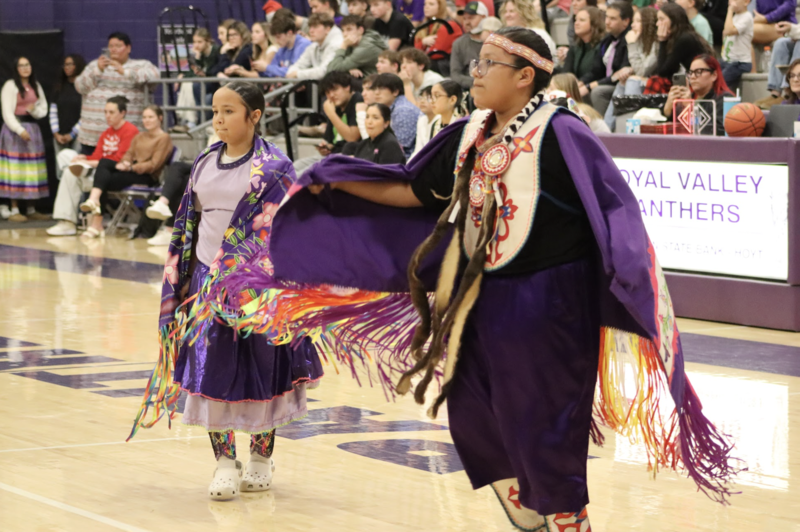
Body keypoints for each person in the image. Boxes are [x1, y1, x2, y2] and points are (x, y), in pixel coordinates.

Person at [192, 26, 739, 529]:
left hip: (552, 301)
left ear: (525, 75)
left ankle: (570, 514)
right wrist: (335, 184)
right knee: (473, 412)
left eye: (489, 64)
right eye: (476, 62)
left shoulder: (563, 132)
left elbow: (615, 210)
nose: (474, 72)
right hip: (481, 298)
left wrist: (628, 282)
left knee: (545, 414)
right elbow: (413, 190)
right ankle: (536, 509)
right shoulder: (469, 132)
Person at [127, 81, 323, 502]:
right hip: (206, 287)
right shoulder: (202, 163)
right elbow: (187, 224)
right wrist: (184, 281)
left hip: (258, 288)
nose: (218, 119)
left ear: (255, 116)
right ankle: (223, 463)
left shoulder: (274, 167)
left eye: (229, 111)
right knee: (209, 371)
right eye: (216, 110)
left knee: (264, 370)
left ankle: (261, 456)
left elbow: (288, 229)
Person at [46, 96, 139, 236]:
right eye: (105, 112)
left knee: (73, 172)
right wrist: (84, 158)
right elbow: (97, 155)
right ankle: (66, 222)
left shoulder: (130, 131)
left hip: (114, 174)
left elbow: (119, 160)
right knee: (68, 164)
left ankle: (77, 218)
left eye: (111, 112)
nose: (107, 116)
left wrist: (88, 163)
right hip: (98, 169)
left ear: (122, 113)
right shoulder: (106, 133)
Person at [76, 104, 173, 238]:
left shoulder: (164, 138)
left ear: (160, 118)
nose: (147, 120)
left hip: (147, 176)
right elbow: (129, 153)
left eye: (151, 117)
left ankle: (96, 220)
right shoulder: (140, 136)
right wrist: (126, 162)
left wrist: (132, 167)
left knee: (103, 178)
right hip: (130, 170)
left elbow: (154, 164)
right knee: (104, 165)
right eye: (144, 117)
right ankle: (94, 203)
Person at [74, 32, 159, 153]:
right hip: (93, 138)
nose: (113, 49)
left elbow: (155, 76)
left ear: (128, 48)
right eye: (111, 46)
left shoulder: (141, 65)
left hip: (128, 139)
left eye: (118, 46)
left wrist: (125, 72)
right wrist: (97, 70)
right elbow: (79, 86)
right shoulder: (95, 66)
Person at [0, 56, 49, 222]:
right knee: (15, 170)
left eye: (27, 64)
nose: (25, 68)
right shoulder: (10, 86)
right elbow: (7, 113)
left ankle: (31, 208)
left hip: (32, 129)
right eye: (21, 66)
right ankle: (14, 209)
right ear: (16, 69)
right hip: (15, 131)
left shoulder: (36, 85)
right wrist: (19, 130)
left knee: (32, 169)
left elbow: (43, 109)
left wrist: (33, 110)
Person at [580, 2, 632, 118]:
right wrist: (581, 82)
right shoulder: (607, 40)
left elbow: (619, 74)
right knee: (579, 90)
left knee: (597, 91)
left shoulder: (629, 40)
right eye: (607, 17)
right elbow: (596, 70)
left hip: (620, 84)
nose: (607, 22)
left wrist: (591, 85)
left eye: (613, 18)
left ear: (626, 21)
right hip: (606, 81)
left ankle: (602, 129)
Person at [647, 4, 710, 93]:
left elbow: (663, 72)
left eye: (661, 19)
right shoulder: (678, 37)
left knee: (655, 81)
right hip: (690, 80)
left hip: (699, 81)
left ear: (673, 20)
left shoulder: (685, 39)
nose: (657, 24)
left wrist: (662, 41)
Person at [664, 54, 732, 135]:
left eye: (698, 72)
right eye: (691, 72)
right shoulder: (689, 97)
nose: (692, 77)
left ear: (714, 75)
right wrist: (667, 111)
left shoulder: (725, 100)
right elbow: (675, 131)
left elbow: (717, 132)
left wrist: (690, 109)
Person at [371, 72, 423, 157]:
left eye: (381, 88)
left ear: (395, 91)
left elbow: (399, 146)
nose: (376, 92)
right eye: (375, 88)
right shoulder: (393, 108)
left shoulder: (403, 111)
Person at [342, 103, 407, 163]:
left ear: (386, 123)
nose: (369, 122)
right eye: (367, 117)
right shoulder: (363, 144)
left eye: (375, 118)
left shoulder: (390, 144)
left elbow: (387, 173)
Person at [50, 54, 86, 160]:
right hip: (60, 135)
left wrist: (72, 134)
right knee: (61, 170)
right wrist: (56, 133)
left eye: (71, 64)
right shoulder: (59, 87)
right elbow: (53, 110)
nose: (67, 67)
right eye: (65, 64)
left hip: (79, 135)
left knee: (76, 167)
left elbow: (86, 114)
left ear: (78, 65)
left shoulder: (84, 88)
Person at [286, 13, 344, 80]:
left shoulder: (336, 44)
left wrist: (297, 75)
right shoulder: (315, 45)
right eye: (310, 27)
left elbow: (324, 72)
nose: (311, 31)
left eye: (315, 27)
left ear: (327, 29)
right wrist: (295, 80)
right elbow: (297, 66)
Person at [414, 0, 464, 75]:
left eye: (431, 4)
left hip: (445, 65)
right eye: (425, 4)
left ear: (440, 7)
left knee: (416, 65)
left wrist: (421, 48)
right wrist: (423, 42)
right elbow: (415, 49)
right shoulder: (425, 25)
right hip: (431, 61)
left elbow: (437, 53)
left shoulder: (449, 25)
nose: (426, 7)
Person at [557, 6, 605, 85]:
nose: (576, 23)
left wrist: (581, 82)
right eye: (576, 20)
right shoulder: (575, 46)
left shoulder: (602, 45)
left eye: (582, 20)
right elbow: (566, 71)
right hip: (577, 86)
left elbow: (597, 72)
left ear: (594, 23)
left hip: (592, 86)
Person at [450, 2, 490, 89]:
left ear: (484, 17)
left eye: (471, 18)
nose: (467, 22)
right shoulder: (458, 43)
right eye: (464, 18)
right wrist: (476, 83)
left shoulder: (493, 41)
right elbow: (455, 74)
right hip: (469, 89)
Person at [721, 0, 753, 89]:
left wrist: (730, 10)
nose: (731, 1)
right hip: (727, 60)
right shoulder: (735, 17)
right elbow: (724, 33)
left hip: (740, 63)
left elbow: (729, 31)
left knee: (721, 81)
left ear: (746, 2)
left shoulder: (747, 17)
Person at [410, 85, 436, 158]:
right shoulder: (422, 120)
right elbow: (418, 149)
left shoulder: (440, 120)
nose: (422, 101)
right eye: (421, 97)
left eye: (428, 98)